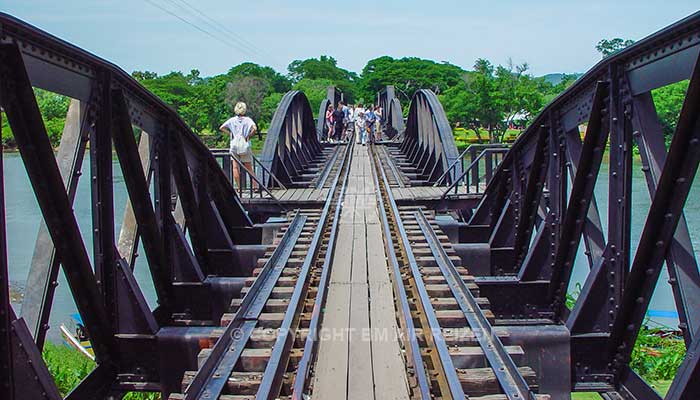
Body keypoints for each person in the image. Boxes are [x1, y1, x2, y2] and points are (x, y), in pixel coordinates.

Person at [220, 102, 257, 189]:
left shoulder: (232, 120)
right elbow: (254, 128)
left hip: (234, 144)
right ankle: (255, 187)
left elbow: (221, 127)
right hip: (245, 144)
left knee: (235, 167)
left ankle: (239, 188)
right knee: (249, 168)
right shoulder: (248, 120)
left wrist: (230, 133)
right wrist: (249, 136)